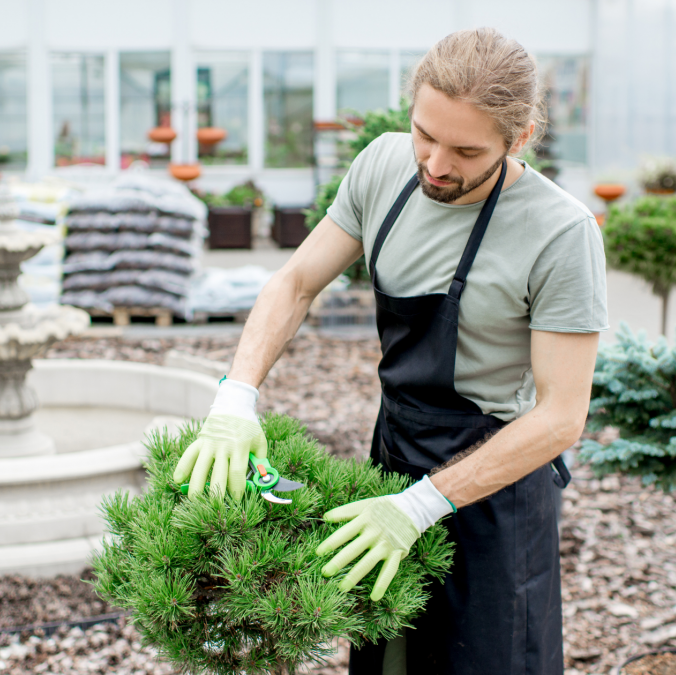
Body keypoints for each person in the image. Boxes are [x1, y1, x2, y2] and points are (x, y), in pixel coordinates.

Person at [173, 27, 608, 675]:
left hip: (494, 498)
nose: (433, 164)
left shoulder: (560, 232)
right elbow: (294, 283)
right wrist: (236, 396)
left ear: (519, 140)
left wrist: (422, 505)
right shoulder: (382, 166)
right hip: (391, 462)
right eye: (423, 134)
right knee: (387, 664)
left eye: (464, 150)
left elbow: (561, 416)